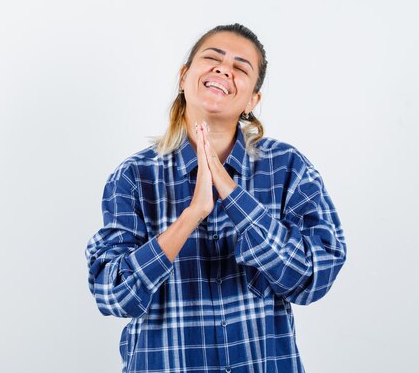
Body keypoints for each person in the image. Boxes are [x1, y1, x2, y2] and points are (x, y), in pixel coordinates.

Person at [85, 23, 347, 373]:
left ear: (252, 100)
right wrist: (192, 214)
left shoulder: (288, 168)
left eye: (241, 68)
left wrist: (232, 194)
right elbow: (113, 294)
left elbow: (314, 278)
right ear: (183, 77)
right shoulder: (134, 177)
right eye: (212, 58)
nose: (224, 69)